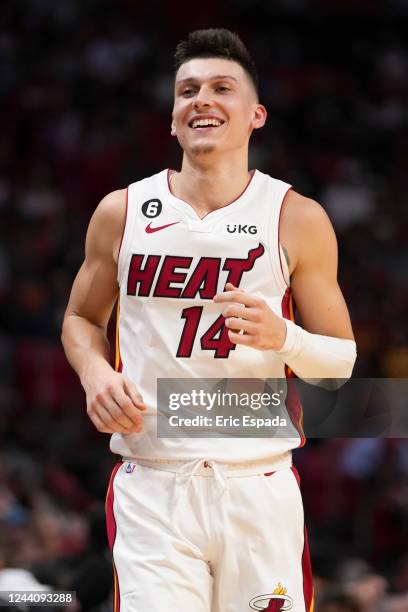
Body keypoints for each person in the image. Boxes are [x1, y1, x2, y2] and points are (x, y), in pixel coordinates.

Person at [61, 28, 356, 612]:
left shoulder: (296, 217)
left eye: (222, 88)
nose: (202, 99)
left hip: (257, 483)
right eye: (187, 90)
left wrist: (286, 338)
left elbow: (340, 367)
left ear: (255, 115)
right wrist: (95, 374)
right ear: (172, 119)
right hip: (152, 481)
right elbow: (79, 319)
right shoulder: (121, 211)